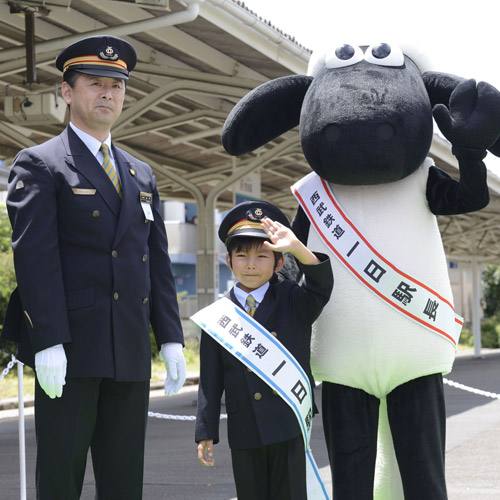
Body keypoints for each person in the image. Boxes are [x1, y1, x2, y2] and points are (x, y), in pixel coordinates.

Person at [1, 35, 186, 500]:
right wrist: (48, 341)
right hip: (70, 353)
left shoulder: (141, 173)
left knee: (124, 483)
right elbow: (35, 261)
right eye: (95, 83)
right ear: (67, 92)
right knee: (61, 481)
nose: (108, 93)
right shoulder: (40, 165)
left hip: (127, 351)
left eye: (117, 86)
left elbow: (156, 262)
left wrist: (170, 337)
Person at [195, 200, 333, 500]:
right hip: (244, 425)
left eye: (262, 256)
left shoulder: (293, 300)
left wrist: (297, 247)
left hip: (287, 421)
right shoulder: (219, 315)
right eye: (241, 255)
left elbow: (322, 287)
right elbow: (210, 377)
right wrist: (205, 430)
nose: (251, 264)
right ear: (228, 262)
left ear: (279, 263)